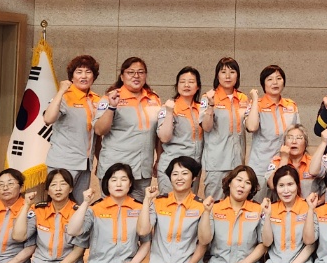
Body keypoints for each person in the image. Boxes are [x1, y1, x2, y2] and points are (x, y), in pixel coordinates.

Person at [94, 58, 164, 201]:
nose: (136, 76)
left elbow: (158, 134)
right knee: (112, 208)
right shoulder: (110, 98)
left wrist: (159, 159)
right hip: (115, 169)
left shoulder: (154, 99)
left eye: (140, 72)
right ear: (122, 76)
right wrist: (112, 107)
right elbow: (99, 130)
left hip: (142, 169)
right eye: (130, 72)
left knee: (138, 210)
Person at [41, 55, 102, 203]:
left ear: (94, 76)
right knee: (59, 204)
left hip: (85, 164)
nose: (83, 76)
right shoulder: (64, 97)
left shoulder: (97, 100)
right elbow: (48, 119)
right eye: (79, 72)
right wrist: (61, 91)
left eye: (88, 72)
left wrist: (99, 160)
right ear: (72, 76)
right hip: (63, 163)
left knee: (79, 205)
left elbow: (97, 134)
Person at [245, 64, 300, 200]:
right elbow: (251, 127)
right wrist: (255, 100)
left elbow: (298, 135)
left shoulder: (291, 106)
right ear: (263, 84)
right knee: (258, 206)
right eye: (270, 79)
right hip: (260, 167)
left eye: (279, 78)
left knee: (281, 206)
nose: (275, 82)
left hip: (284, 165)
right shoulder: (256, 105)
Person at [200, 57, 249, 201]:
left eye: (232, 72)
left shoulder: (243, 98)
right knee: (214, 204)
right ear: (217, 75)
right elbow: (206, 127)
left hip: (238, 162)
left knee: (236, 204)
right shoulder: (208, 97)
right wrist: (211, 106)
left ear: (237, 75)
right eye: (223, 72)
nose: (228, 76)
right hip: (217, 163)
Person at [156, 66, 204, 194]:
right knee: (169, 204)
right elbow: (164, 137)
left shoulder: (201, 109)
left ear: (198, 86)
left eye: (191, 82)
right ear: (177, 85)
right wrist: (169, 112)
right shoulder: (169, 107)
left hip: (193, 168)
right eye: (182, 82)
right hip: (172, 168)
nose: (186, 85)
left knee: (190, 205)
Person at [264, 124, 321, 200]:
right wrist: (284, 159)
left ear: (305, 143)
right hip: (282, 206)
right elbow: (272, 185)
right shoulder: (276, 162)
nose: (294, 141)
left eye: (299, 138)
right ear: (284, 143)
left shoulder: (313, 162)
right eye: (290, 138)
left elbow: (325, 189)